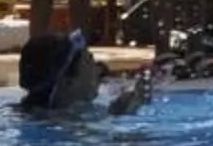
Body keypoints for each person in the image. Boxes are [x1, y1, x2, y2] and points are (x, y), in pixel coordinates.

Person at [14, 28, 153, 117]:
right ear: (69, 82)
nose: (100, 69)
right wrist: (118, 114)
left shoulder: (25, 114)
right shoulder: (66, 125)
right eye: (91, 63)